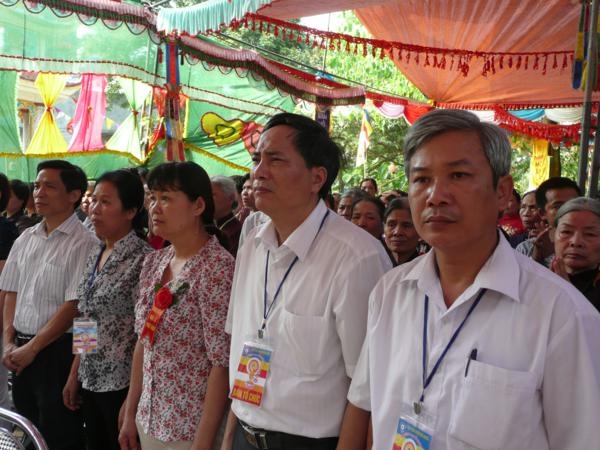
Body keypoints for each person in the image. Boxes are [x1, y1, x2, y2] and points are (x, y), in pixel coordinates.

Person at [341, 109, 600, 450]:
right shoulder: (390, 292)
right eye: (421, 179)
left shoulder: (563, 316)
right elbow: (367, 404)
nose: (435, 195)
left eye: (459, 175)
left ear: (502, 191)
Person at [222, 113, 392, 450]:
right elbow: (239, 346)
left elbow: (369, 387)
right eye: (257, 159)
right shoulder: (253, 243)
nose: (259, 172)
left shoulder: (357, 258)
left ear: (317, 178)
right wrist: (230, 437)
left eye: (276, 160)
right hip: (245, 433)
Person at [119, 162, 234, 450]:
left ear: (198, 206)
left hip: (189, 427)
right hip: (149, 418)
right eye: (153, 197)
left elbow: (220, 364)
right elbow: (144, 340)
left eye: (167, 198)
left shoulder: (217, 268)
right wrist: (131, 410)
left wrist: (203, 443)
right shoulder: (154, 261)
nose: (155, 208)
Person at [0, 160, 98, 450]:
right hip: (20, 349)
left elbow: (75, 306)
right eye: (37, 185)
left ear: (74, 195)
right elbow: (11, 291)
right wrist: (8, 340)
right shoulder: (25, 238)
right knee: (27, 430)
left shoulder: (85, 242)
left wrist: (33, 348)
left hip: (58, 353)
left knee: (59, 435)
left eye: (50, 186)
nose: (39, 192)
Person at [62, 169, 151, 450]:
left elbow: (145, 336)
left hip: (123, 383)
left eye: (106, 202)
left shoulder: (144, 259)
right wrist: (75, 372)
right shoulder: (96, 252)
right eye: (94, 201)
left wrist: (133, 400)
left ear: (131, 211)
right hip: (91, 378)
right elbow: (87, 318)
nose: (95, 209)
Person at [516, 177, 581, 266]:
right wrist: (536, 259)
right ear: (542, 213)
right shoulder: (526, 249)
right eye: (558, 206)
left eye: (572, 204)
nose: (567, 210)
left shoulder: (590, 245)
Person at [551, 197, 600, 312]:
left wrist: (569, 294)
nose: (576, 242)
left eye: (590, 234)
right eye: (566, 232)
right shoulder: (535, 278)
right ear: (552, 234)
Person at [383, 198, 420, 266]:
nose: (397, 232)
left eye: (406, 226)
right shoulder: (375, 264)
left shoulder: (428, 268)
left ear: (420, 231)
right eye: (391, 225)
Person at [212, 176, 242, 256]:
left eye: (212, 195)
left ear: (231, 198)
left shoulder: (237, 232)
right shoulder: (207, 226)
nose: (206, 199)